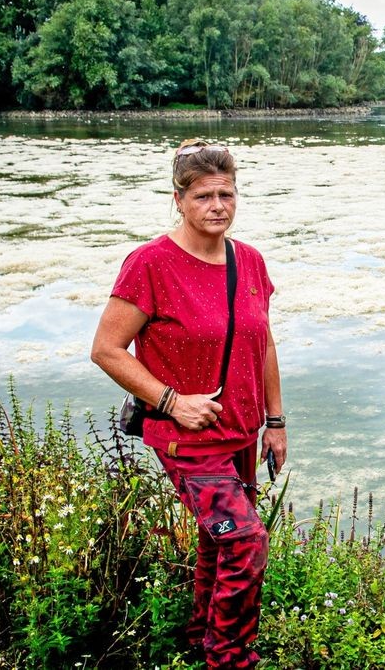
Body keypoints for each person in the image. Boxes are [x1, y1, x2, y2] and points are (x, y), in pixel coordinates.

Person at [91, 139, 286, 668]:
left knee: (217, 540)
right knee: (245, 543)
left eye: (227, 193)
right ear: (178, 199)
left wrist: (276, 421)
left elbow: (262, 341)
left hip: (243, 431)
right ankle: (228, 657)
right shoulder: (150, 264)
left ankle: (201, 632)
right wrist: (171, 400)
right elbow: (106, 349)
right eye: (203, 196)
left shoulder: (249, 261)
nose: (218, 206)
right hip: (187, 438)